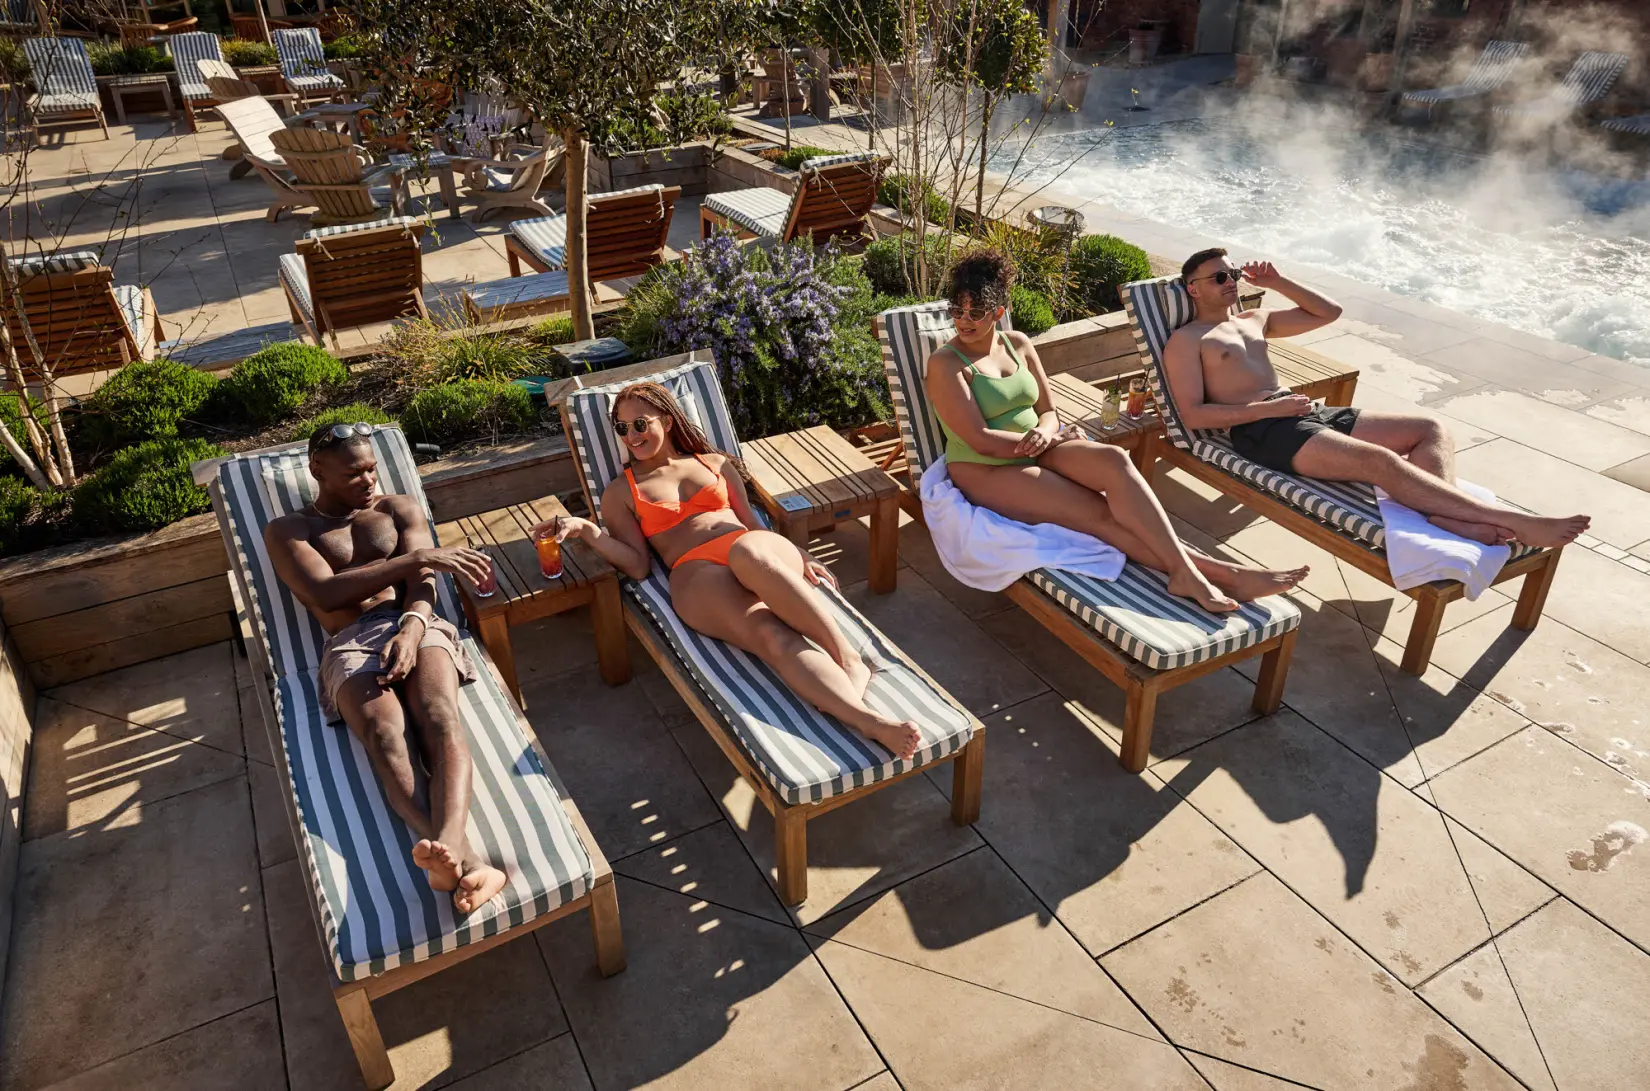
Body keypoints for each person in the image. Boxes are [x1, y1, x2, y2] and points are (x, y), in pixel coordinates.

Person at [537, 382, 923, 761]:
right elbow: (638, 565)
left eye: (641, 423)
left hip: (754, 551)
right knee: (769, 634)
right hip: (695, 573)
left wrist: (799, 554)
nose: (632, 436)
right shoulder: (621, 491)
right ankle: (871, 722)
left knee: (747, 551)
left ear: (667, 421)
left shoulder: (715, 462)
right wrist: (590, 531)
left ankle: (847, 655)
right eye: (622, 428)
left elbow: (752, 524)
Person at [925, 250, 1309, 612]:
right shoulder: (946, 364)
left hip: (1040, 445)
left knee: (1114, 459)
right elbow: (980, 440)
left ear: (999, 311)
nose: (964, 319)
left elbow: (1048, 411)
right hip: (987, 467)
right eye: (957, 309)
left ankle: (1193, 571)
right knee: (1100, 514)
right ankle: (1213, 574)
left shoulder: (1018, 344)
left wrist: (1048, 432)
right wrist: (1047, 438)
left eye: (977, 311)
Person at [1164, 248, 1590, 548]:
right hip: (1262, 430)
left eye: (1232, 274)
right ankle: (1506, 520)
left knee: (1429, 429)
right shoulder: (1187, 340)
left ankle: (1447, 514)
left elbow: (1328, 313)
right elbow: (1194, 415)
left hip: (1304, 415)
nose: (1230, 281)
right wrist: (1269, 409)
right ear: (1193, 289)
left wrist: (1278, 282)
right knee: (1380, 462)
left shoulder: (1254, 319)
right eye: (1219, 277)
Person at [265, 423, 509, 916]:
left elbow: (424, 581)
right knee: (384, 732)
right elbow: (325, 593)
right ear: (318, 471)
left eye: (372, 468)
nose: (369, 480)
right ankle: (466, 860)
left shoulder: (396, 508)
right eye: (354, 473)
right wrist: (415, 557)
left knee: (438, 716)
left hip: (416, 622)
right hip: (351, 642)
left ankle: (448, 854)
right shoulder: (289, 530)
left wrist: (413, 629)